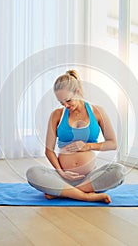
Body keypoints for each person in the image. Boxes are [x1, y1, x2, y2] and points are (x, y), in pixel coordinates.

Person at [26, 69, 125, 203]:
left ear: (77, 91)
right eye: (61, 103)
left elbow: (112, 143)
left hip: (89, 177)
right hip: (62, 177)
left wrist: (86, 146)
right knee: (33, 173)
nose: (65, 105)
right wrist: (61, 172)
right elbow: (49, 150)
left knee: (118, 171)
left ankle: (62, 192)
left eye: (68, 100)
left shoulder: (97, 112)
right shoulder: (57, 115)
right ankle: (85, 195)